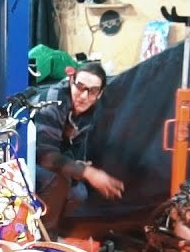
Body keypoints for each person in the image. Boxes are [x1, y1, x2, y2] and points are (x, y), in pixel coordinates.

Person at [33, 62, 125, 239]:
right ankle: (45, 239)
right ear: (71, 80)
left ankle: (48, 225)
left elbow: (75, 146)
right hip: (25, 157)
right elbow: (45, 155)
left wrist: (78, 164)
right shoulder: (54, 99)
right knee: (58, 180)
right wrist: (88, 172)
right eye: (80, 87)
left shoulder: (92, 109)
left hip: (53, 158)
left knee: (79, 193)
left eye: (92, 91)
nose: (83, 96)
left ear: (100, 94)